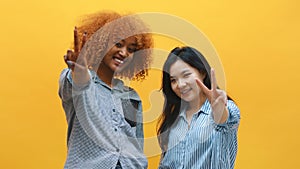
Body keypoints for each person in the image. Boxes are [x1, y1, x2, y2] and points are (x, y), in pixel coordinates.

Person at [58, 11, 153, 169]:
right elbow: (76, 83)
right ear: (100, 43)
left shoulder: (132, 97)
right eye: (118, 44)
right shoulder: (82, 85)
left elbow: (138, 145)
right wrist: (79, 71)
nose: (124, 53)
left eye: (131, 49)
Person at [157, 46, 240, 169]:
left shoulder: (225, 108)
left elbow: (227, 123)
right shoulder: (174, 118)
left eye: (186, 75)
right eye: (173, 80)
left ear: (202, 72)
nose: (180, 84)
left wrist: (219, 112)